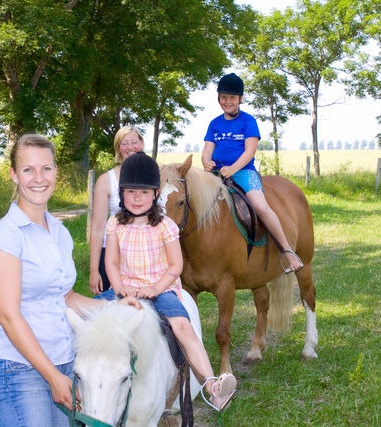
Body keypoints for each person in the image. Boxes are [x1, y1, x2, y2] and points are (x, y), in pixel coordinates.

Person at [0, 133, 141, 426]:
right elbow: (8, 316)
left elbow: (64, 297)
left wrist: (114, 308)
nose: (38, 178)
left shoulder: (60, 232)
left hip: (66, 361)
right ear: (14, 174)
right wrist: (52, 375)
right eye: (28, 170)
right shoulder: (4, 236)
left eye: (46, 169)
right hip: (21, 369)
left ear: (55, 173)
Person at [96, 151, 237, 411]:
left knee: (184, 328)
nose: (137, 199)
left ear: (156, 194)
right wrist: (119, 288)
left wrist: (156, 288)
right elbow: (111, 264)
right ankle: (82, 381)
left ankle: (211, 386)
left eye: (144, 193)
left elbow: (175, 266)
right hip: (124, 288)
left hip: (160, 289)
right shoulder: (114, 224)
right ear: (122, 194)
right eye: (130, 192)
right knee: (87, 317)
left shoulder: (165, 227)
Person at [202, 72, 304, 273]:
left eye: (232, 97)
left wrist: (232, 169)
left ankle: (287, 250)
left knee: (261, 206)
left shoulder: (248, 121)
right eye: (224, 97)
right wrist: (206, 162)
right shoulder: (214, 123)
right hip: (217, 173)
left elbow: (250, 152)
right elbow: (207, 150)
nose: (227, 101)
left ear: (240, 99)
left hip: (243, 172)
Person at [88, 126, 145, 295]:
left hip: (143, 251)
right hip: (112, 252)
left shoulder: (154, 175)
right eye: (124, 143)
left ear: (141, 144)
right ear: (118, 148)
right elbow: (98, 227)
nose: (129, 147)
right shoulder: (106, 180)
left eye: (134, 142)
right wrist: (94, 270)